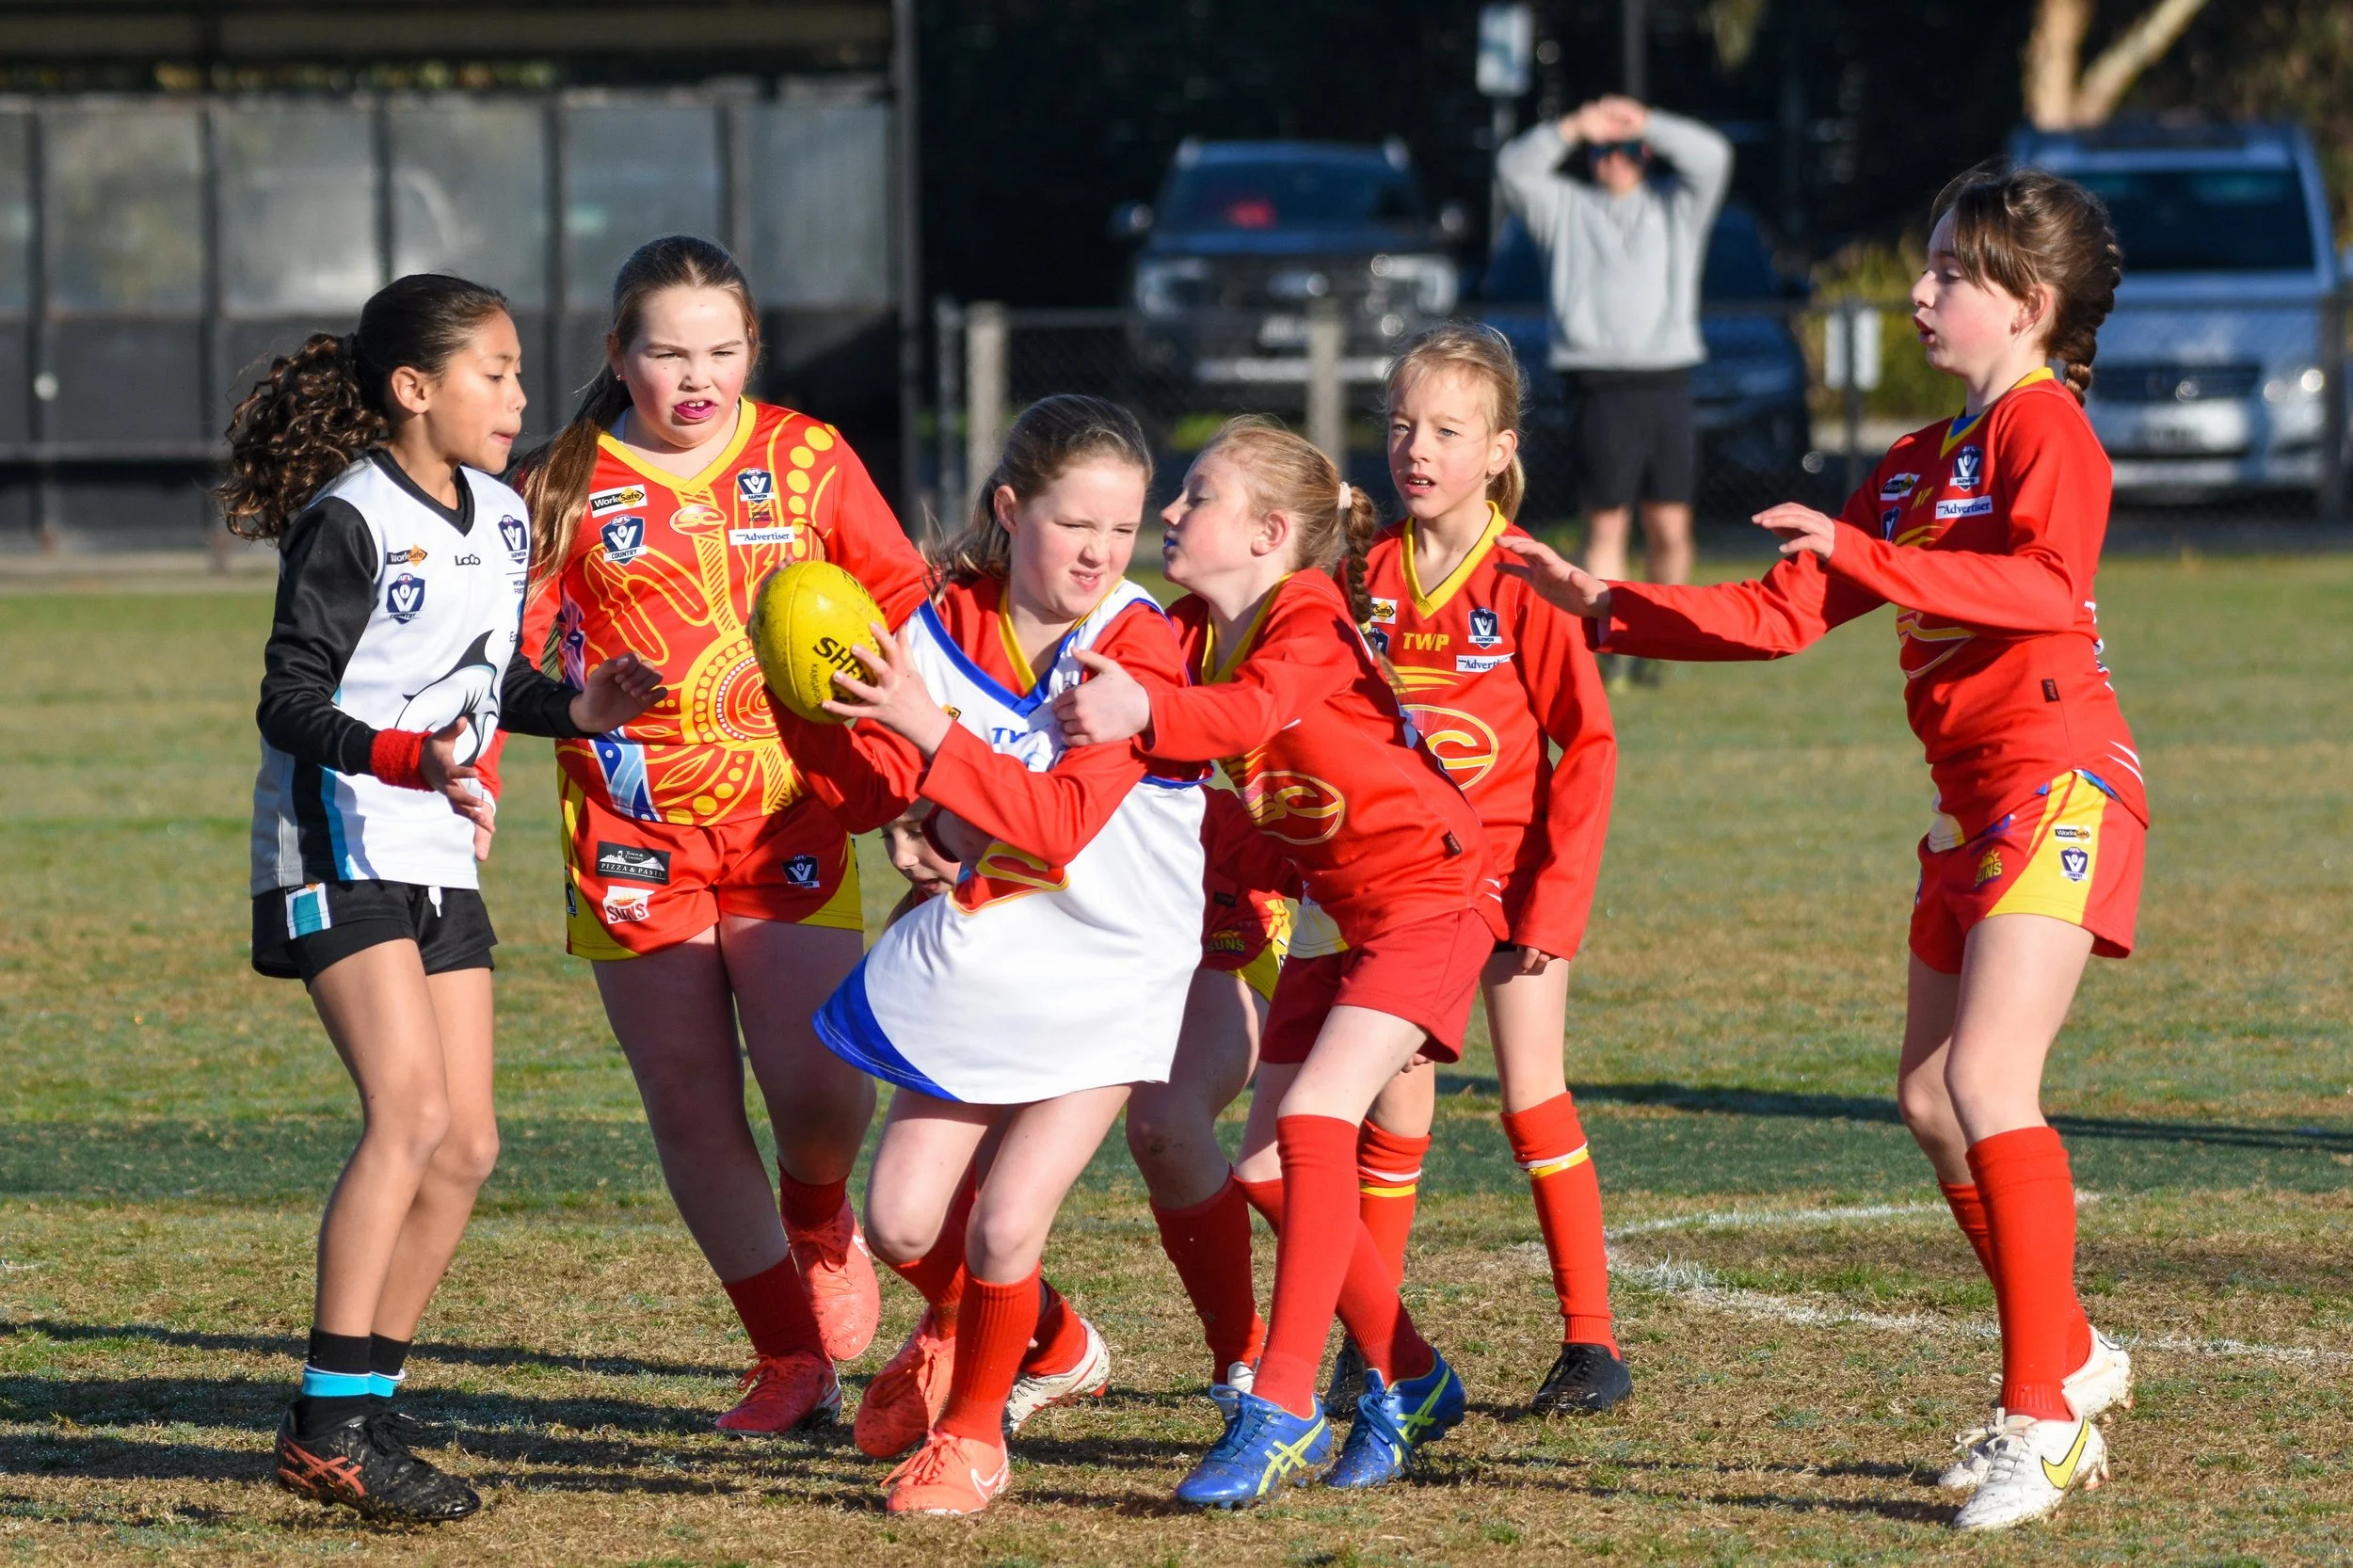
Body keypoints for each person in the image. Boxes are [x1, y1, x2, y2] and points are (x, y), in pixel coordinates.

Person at [1498, 162, 2139, 1534]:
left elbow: (2043, 588)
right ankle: (2074, 1351)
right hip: (1968, 808)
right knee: (1926, 1098)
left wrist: (1876, 555)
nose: (1920, 292)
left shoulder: (2051, 435)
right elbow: (1780, 613)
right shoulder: (1916, 463)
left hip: (2062, 782)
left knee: (1987, 1077)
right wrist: (1605, 605)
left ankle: (2047, 1417)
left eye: (1950, 273)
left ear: (2026, 306)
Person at [227, 274, 661, 1523]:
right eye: (496, 371)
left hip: (437, 854)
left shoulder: (502, 519)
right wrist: (407, 756)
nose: (519, 396)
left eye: (523, 373)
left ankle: (361, 1404)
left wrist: (581, 708)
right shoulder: (351, 520)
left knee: (468, 1142)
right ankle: (326, 1420)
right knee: (408, 1117)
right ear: (414, 389)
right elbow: (288, 698)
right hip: (336, 843)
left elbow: (490, 681)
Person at [518, 235, 928, 1433]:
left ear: (754, 350)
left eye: (720, 350)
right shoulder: (563, 481)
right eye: (665, 352)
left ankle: (818, 1212)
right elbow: (510, 655)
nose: (695, 378)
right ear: (616, 355)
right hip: (629, 830)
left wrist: (909, 758)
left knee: (815, 1091)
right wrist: (509, 741)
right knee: (692, 1102)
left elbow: (899, 598)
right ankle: (789, 1358)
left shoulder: (807, 457)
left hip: (785, 817)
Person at [1056, 417, 1497, 1507]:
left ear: (1266, 532)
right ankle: (1414, 1376)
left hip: (1432, 902)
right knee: (1259, 1169)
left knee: (1310, 1126)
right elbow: (1239, 797)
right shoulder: (1201, 629)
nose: (1168, 512)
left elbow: (1249, 716)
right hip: (1344, 917)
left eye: (1192, 496)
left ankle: (1284, 1404)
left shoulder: (1303, 612)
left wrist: (1144, 710)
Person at [794, 392, 1207, 1515]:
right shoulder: (935, 622)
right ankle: (1051, 1342)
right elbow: (889, 787)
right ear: (1010, 507)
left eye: (1121, 531)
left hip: (1115, 959)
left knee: (1005, 1219)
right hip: (993, 944)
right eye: (1075, 524)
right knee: (902, 1223)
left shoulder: (1134, 641)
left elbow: (1061, 822)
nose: (1100, 553)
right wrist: (909, 821)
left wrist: (932, 741)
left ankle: (974, 1440)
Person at [1341, 322, 1624, 1416]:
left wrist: (1553, 902)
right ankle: (1375, 1341)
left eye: (1448, 431)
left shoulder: (1524, 579)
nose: (1417, 449)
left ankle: (1591, 1343)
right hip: (1405, 896)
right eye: (1404, 426)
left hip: (1510, 894)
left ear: (1499, 449)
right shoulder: (1361, 578)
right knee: (1391, 1116)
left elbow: (1587, 748)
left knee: (1530, 1097)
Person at [1495, 92, 1732, 685]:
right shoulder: (1565, 208)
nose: (1616, 161)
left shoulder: (1676, 210)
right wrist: (1576, 126)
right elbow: (1513, 168)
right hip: (1599, 385)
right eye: (1604, 150)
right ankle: (1605, 641)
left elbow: (1712, 156)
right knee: (1607, 525)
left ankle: (1659, 642)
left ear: (1646, 155)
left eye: (1628, 150)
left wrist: (1647, 121)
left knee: (1671, 528)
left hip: (1666, 382)